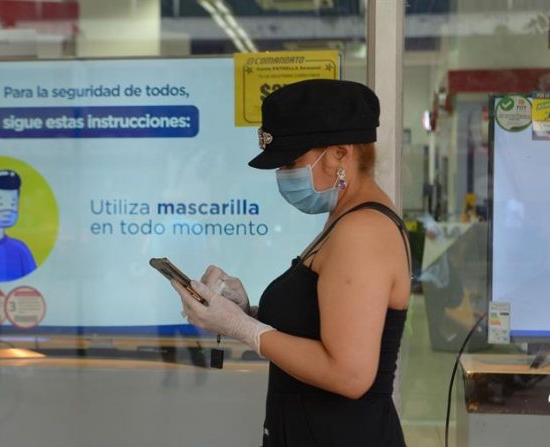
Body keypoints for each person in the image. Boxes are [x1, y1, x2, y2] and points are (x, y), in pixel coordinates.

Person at [171, 79, 411, 446]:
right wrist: (245, 312)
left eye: (292, 161)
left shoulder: (363, 232)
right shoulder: (345, 220)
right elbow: (322, 328)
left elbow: (350, 375)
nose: (284, 174)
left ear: (340, 154)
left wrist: (242, 329)